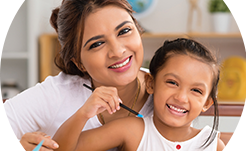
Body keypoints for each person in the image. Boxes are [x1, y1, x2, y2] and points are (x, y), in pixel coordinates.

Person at [0, 0, 154, 151]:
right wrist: (15, 147)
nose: (118, 51)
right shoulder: (58, 94)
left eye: (124, 31)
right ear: (78, 62)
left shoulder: (168, 89)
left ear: (138, 29)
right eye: (97, 44)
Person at [52, 38, 228, 151]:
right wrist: (84, 113)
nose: (181, 97)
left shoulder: (213, 145)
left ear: (207, 103)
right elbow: (61, 149)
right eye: (172, 83)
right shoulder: (132, 130)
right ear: (150, 83)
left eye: (196, 91)